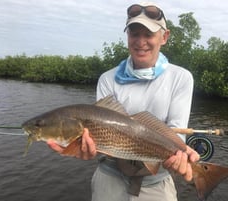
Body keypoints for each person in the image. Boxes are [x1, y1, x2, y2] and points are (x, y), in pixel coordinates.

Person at [48, 2, 200, 201]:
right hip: (110, 176)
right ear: (127, 36)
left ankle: (203, 175)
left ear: (164, 37)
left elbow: (177, 132)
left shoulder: (181, 77)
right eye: (134, 34)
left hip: (156, 180)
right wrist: (80, 148)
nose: (140, 41)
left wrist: (179, 157)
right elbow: (98, 133)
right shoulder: (107, 79)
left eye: (148, 34)